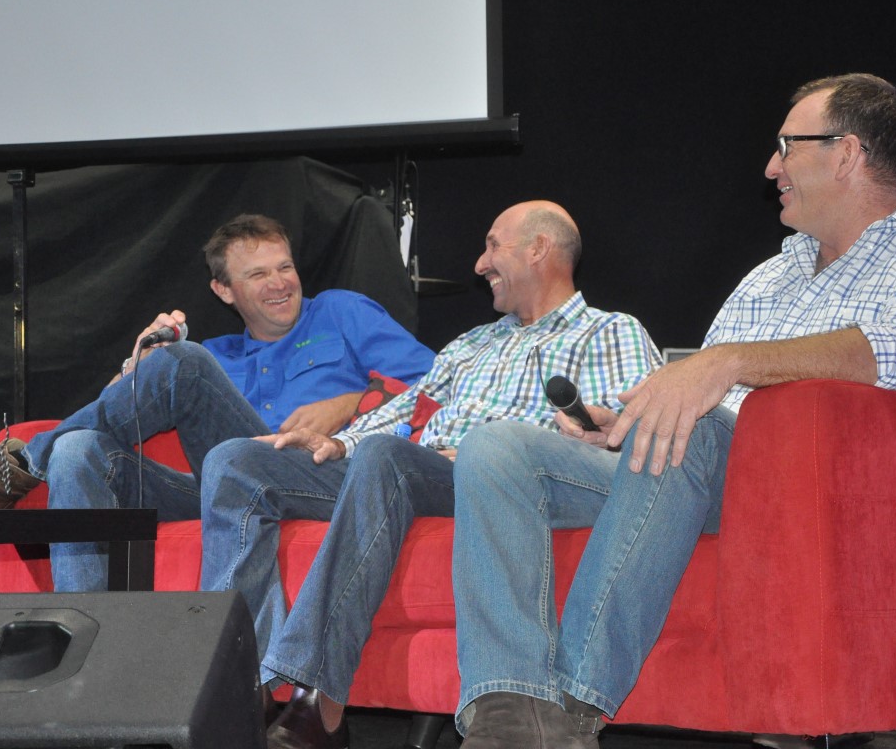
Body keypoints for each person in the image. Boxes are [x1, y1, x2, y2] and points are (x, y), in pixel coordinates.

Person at [450, 74, 896, 749]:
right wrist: (630, 427)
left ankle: (570, 707)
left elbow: (895, 356)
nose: (772, 168)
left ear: (847, 154)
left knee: (698, 422)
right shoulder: (769, 276)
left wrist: (726, 364)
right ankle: (510, 715)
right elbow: (701, 402)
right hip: (701, 477)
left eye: (787, 147)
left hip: (828, 501)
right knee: (497, 449)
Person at [194, 201, 662, 749]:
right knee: (237, 460)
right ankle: (241, 683)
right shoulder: (473, 342)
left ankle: (314, 696)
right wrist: (339, 439)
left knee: (386, 457)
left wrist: (561, 436)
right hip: (420, 473)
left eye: (493, 246)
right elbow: (406, 408)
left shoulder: (610, 332)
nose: (479, 263)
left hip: (505, 482)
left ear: (538, 249)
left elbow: (622, 434)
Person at [0, 214, 434, 593]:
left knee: (182, 364)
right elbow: (131, 413)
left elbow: (439, 384)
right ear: (223, 290)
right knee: (78, 449)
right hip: (225, 486)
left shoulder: (342, 312)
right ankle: (90, 647)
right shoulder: (218, 358)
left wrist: (346, 403)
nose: (279, 284)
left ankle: (17, 466)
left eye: (285, 267)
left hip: (318, 472)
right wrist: (137, 368)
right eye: (257, 275)